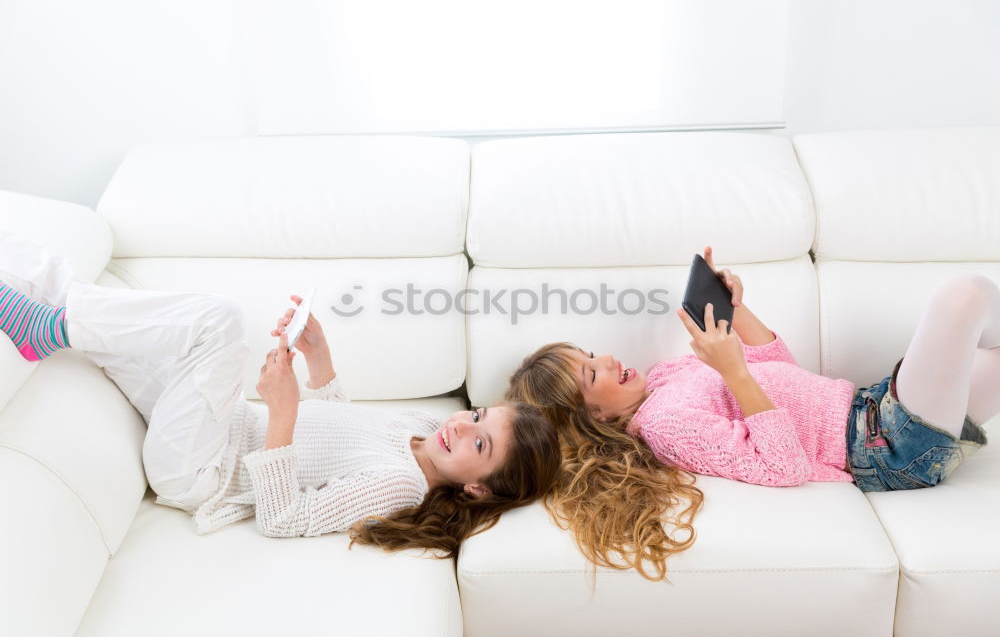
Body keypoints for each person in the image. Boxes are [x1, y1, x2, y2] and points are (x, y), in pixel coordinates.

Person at [0, 235, 560, 556]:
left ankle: (45, 332)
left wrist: (283, 411)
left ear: (477, 487)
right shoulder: (420, 430)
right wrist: (319, 356)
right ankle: (44, 314)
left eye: (480, 443)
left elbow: (285, 518)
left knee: (219, 321)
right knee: (61, 278)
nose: (461, 425)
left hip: (200, 467)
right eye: (477, 415)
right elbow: (340, 433)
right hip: (205, 425)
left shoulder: (401, 485)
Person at [507, 245, 996, 579]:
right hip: (884, 444)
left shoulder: (661, 380)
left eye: (592, 356)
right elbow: (782, 465)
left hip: (875, 406)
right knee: (963, 297)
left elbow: (782, 372)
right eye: (593, 376)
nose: (608, 361)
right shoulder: (663, 425)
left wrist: (735, 311)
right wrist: (733, 371)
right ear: (596, 419)